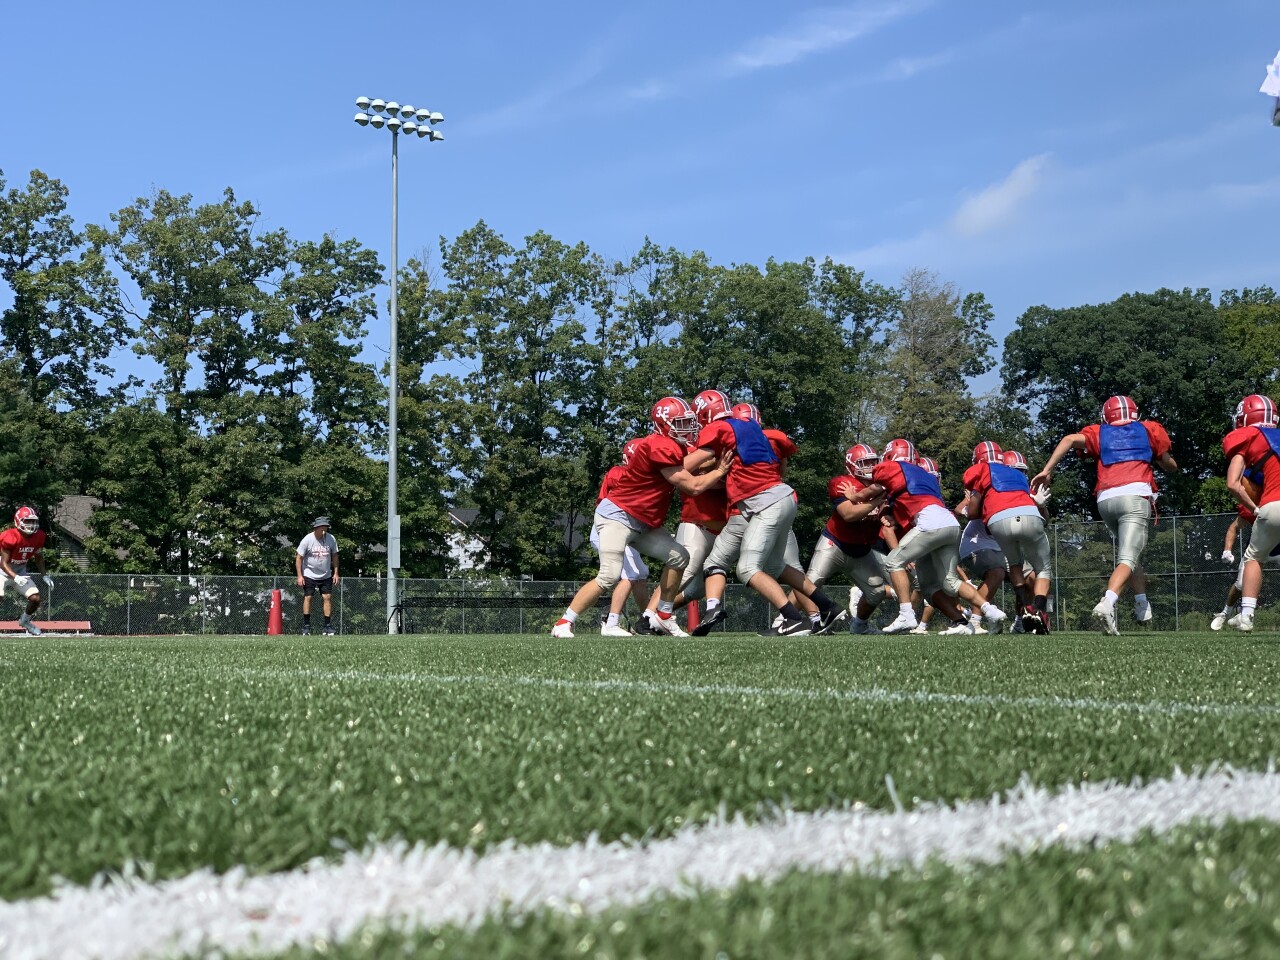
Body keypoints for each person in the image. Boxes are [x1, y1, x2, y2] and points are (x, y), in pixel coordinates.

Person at [552, 397, 732, 639]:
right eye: (680, 423)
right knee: (609, 575)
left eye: (688, 421)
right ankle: (564, 622)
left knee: (679, 557)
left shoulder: (672, 444)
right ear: (663, 424)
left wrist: (717, 451)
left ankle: (664, 616)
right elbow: (693, 486)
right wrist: (720, 469)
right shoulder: (658, 445)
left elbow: (694, 458)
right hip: (619, 516)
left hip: (643, 521)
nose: (687, 427)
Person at [684, 390, 843, 637]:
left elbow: (687, 465)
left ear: (706, 413)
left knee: (747, 569)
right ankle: (827, 606)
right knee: (775, 565)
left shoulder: (721, 429)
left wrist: (662, 469)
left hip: (765, 503)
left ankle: (792, 619)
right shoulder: (751, 428)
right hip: (777, 498)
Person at [1032, 395, 1178, 636]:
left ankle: (1141, 602)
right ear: (1135, 413)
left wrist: (1047, 470)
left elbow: (1069, 439)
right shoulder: (1150, 429)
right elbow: (1168, 463)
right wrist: (1168, 464)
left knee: (1130, 555)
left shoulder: (1099, 432)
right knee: (1128, 557)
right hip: (1135, 496)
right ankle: (1107, 603)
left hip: (1106, 500)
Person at [842, 439, 1008, 635]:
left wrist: (855, 497)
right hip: (950, 524)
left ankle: (906, 614)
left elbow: (874, 489)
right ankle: (991, 611)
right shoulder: (925, 476)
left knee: (894, 562)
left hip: (930, 523)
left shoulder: (892, 467)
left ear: (890, 456)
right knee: (950, 582)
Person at [961, 441, 1054, 635]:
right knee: (1039, 569)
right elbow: (967, 511)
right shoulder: (1004, 480)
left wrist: (1040, 505)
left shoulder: (998, 480)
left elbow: (1045, 519)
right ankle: (1033, 610)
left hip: (1002, 532)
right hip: (984, 544)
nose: (1019, 473)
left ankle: (1024, 616)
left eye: (1021, 470)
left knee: (1022, 571)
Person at [1222, 394, 1280, 632]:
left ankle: (1246, 615)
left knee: (1253, 557)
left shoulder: (1248, 437)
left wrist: (1254, 508)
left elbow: (1233, 484)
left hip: (1273, 505)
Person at [595, 439, 653, 636]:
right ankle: (611, 622)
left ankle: (649, 620)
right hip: (610, 528)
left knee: (641, 573)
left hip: (627, 530)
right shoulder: (619, 473)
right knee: (632, 574)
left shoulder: (644, 477)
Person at [0, 506, 50, 636]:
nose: (31, 524)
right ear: (18, 521)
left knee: (35, 598)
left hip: (20, 571)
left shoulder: (39, 536)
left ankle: (25, 621)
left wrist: (44, 576)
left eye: (33, 521)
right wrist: (15, 577)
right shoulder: (9, 536)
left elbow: (39, 557)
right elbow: (3, 563)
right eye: (27, 521)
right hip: (2, 571)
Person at [296, 517, 340, 636]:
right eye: (322, 527)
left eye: (326, 527)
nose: (324, 529)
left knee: (327, 598)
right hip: (309, 574)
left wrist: (336, 573)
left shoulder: (331, 539)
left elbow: (335, 556)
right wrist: (300, 576)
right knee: (308, 597)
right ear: (316, 528)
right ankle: (306, 627)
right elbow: (299, 558)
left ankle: (327, 627)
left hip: (325, 574)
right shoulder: (307, 539)